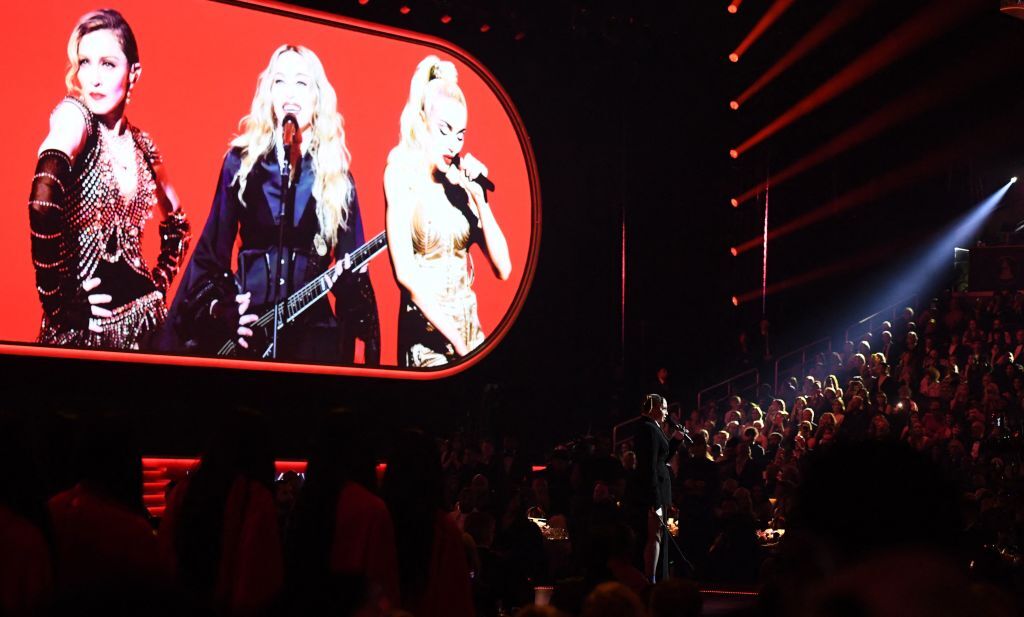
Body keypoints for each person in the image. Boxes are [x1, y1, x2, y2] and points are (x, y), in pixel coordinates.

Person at [166, 44, 378, 363]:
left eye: (301, 82)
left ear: (318, 97)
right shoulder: (240, 164)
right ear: (269, 92)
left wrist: (351, 283)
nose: (289, 92)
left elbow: (355, 285)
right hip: (249, 334)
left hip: (315, 342)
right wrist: (223, 310)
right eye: (280, 81)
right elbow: (211, 257)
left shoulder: (338, 178)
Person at [28, 9, 190, 349]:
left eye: (108, 63)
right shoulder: (76, 117)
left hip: (147, 327)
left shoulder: (143, 146)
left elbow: (179, 226)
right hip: (89, 333)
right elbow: (43, 200)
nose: (94, 79)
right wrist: (58, 302)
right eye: (85, 62)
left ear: (134, 72)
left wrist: (157, 286)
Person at [384, 55, 512, 367]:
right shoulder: (401, 173)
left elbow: (504, 268)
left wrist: (480, 199)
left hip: (471, 336)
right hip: (429, 339)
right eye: (444, 130)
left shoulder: (458, 186)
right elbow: (407, 276)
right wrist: (458, 344)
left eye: (460, 133)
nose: (453, 144)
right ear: (422, 122)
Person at [626, 394, 685, 583]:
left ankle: (654, 576)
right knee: (654, 535)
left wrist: (675, 441)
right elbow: (649, 466)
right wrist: (654, 498)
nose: (667, 412)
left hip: (658, 488)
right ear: (654, 407)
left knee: (657, 534)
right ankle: (651, 579)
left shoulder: (653, 427)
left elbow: (660, 459)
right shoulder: (648, 428)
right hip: (654, 490)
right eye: (665, 408)